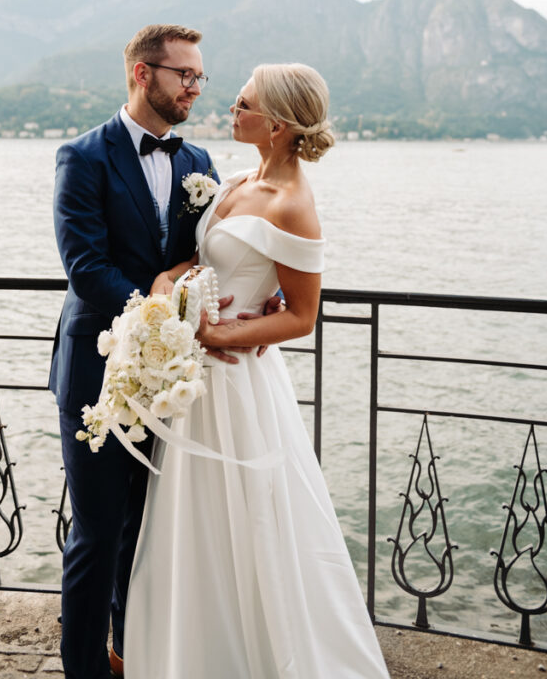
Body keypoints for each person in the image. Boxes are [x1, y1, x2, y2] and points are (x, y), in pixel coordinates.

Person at [124, 63, 391, 679]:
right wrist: (171, 285)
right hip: (198, 381)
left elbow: (301, 316)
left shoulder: (292, 206)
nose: (231, 109)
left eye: (243, 104)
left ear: (275, 123)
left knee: (250, 525)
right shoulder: (238, 179)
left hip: (236, 384)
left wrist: (221, 331)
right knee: (191, 527)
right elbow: (200, 258)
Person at [50, 24, 217, 679]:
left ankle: (136, 655)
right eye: (185, 75)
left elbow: (202, 258)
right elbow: (85, 266)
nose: (195, 88)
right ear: (144, 74)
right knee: (95, 533)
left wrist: (191, 297)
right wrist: (155, 308)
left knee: (146, 534)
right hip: (96, 371)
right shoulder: (82, 156)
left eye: (200, 77)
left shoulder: (198, 163)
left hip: (169, 378)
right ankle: (85, 670)